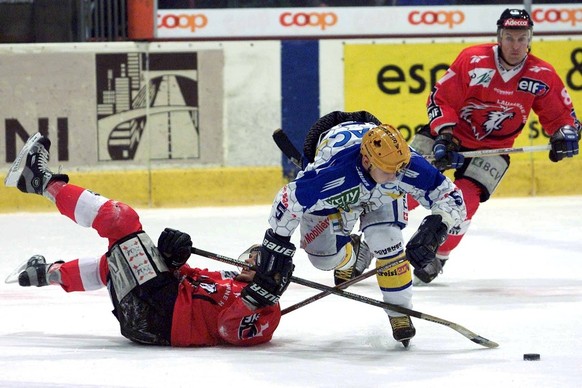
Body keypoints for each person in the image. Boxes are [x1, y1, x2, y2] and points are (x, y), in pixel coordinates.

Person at [4, 132, 294, 347]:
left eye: (257, 259)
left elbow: (228, 331)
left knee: (122, 221)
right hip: (155, 304)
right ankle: (45, 274)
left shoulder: (270, 313)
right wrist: (173, 261)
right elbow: (187, 279)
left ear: (273, 272)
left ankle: (40, 181)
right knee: (114, 264)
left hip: (160, 317)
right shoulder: (228, 277)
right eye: (251, 254)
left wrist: (257, 299)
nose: (248, 260)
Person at [261, 110, 466, 347]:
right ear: (367, 161)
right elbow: (288, 201)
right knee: (323, 259)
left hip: (383, 196)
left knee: (386, 240)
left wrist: (435, 228)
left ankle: (399, 311)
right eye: (388, 170)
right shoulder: (331, 174)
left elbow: (450, 196)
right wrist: (276, 245)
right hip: (339, 193)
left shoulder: (402, 163)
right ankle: (352, 254)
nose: (396, 176)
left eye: (399, 169)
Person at [409, 8, 581, 284]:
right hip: (448, 137)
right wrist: (445, 134)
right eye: (509, 37)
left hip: (492, 149)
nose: (515, 45)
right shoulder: (473, 60)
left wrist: (566, 134)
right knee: (405, 188)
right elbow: (441, 98)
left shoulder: (541, 74)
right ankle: (371, 244)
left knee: (464, 202)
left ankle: (438, 254)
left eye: (521, 38)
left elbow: (562, 117)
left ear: (530, 39)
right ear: (499, 37)